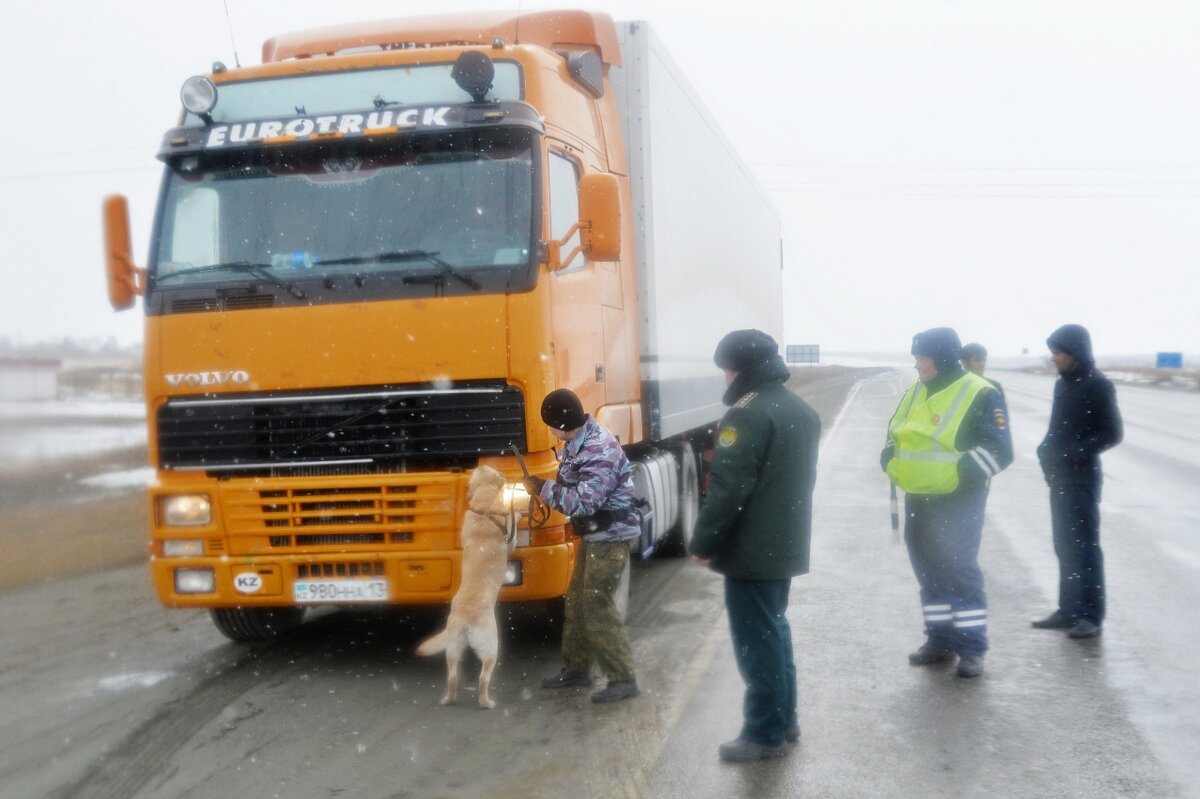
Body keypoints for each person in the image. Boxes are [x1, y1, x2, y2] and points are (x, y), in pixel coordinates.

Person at [688, 329, 821, 762]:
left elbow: (727, 489)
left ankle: (765, 734)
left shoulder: (746, 415)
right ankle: (785, 720)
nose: (723, 377)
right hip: (783, 543)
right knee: (775, 632)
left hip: (752, 548)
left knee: (757, 641)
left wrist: (704, 541)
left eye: (725, 368)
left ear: (738, 369)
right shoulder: (799, 409)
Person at [882, 327, 1012, 679]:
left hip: (958, 502)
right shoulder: (916, 390)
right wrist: (888, 457)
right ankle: (939, 641)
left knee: (959, 573)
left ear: (939, 357)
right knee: (930, 574)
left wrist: (960, 475)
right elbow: (897, 432)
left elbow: (1000, 450)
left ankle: (971, 649)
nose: (917, 364)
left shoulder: (980, 392)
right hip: (918, 498)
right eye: (915, 357)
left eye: (921, 357)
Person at [524, 388, 641, 703]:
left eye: (549, 423)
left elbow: (584, 502)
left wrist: (543, 489)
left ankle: (622, 677)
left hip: (612, 535)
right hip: (596, 535)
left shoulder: (596, 449)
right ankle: (577, 669)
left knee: (596, 604)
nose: (548, 429)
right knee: (575, 600)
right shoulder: (577, 442)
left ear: (560, 424)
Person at [1032, 324, 1123, 639]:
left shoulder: (1097, 385)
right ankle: (1068, 610)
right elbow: (1058, 428)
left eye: (1058, 352)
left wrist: (1075, 453)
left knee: (1084, 546)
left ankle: (1091, 615)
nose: (1053, 357)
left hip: (1081, 478)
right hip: (1059, 476)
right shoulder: (1064, 384)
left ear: (1076, 352)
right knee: (1064, 544)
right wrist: (1045, 448)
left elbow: (1112, 433)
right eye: (1052, 351)